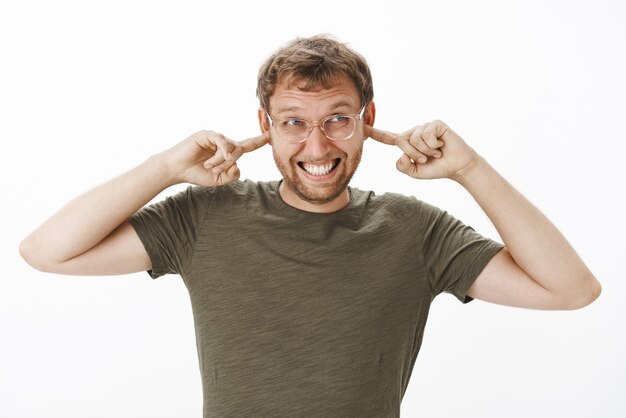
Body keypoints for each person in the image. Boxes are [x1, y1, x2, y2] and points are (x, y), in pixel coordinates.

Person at [19, 35, 601, 417]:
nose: (316, 145)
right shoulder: (204, 218)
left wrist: (470, 169)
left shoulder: (413, 231)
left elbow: (571, 290)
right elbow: (47, 251)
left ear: (368, 120)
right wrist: (166, 169)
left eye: (338, 120)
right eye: (293, 121)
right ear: (264, 125)